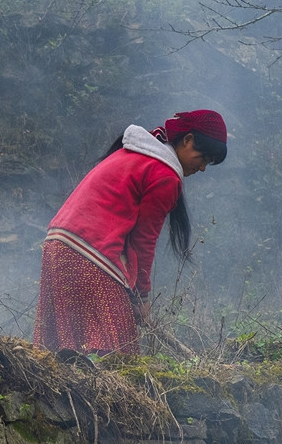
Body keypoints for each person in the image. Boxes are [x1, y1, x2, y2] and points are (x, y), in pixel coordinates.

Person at [35, 110, 228, 354]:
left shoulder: (135, 154)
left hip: (57, 245)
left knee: (64, 354)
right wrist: (142, 298)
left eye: (208, 164)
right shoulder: (164, 175)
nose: (201, 168)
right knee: (118, 356)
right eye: (202, 158)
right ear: (187, 140)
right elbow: (143, 242)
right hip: (90, 255)